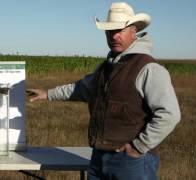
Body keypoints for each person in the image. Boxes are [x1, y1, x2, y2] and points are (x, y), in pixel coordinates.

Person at [27, 2, 180, 180]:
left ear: (133, 30)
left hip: (132, 161)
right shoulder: (106, 68)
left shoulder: (148, 68)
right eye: (109, 31)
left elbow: (170, 114)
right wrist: (47, 94)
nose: (114, 36)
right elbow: (80, 89)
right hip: (99, 157)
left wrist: (138, 147)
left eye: (119, 30)